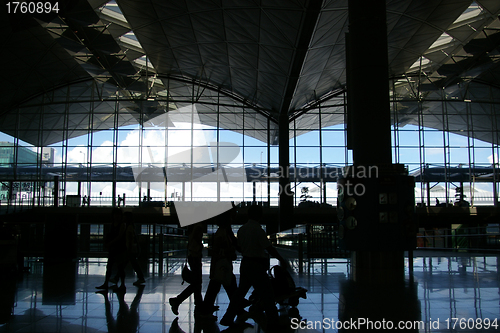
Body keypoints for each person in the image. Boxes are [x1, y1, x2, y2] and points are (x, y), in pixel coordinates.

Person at [220, 204, 287, 330]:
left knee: (240, 292)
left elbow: (240, 247)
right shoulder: (258, 230)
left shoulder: (242, 230)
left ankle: (227, 317)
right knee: (267, 294)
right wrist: (281, 259)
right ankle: (273, 322)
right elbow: (268, 247)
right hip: (256, 265)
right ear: (259, 215)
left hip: (245, 263)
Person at [202, 210, 239, 316]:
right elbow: (217, 251)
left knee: (215, 287)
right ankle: (237, 308)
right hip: (223, 265)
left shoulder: (222, 232)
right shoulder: (223, 233)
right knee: (229, 286)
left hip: (221, 265)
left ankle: (206, 309)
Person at [169, 222, 205, 316]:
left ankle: (198, 305)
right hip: (195, 256)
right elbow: (197, 241)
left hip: (192, 255)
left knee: (197, 283)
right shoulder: (198, 226)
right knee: (197, 283)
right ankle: (178, 300)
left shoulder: (192, 226)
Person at [96, 208, 127, 291]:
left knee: (119, 267)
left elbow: (119, 236)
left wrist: (110, 242)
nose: (116, 216)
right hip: (114, 248)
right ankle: (107, 283)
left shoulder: (121, 225)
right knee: (110, 266)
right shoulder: (114, 224)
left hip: (119, 248)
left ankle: (122, 284)